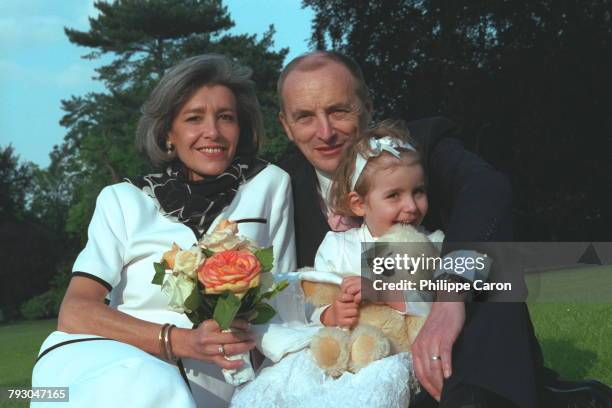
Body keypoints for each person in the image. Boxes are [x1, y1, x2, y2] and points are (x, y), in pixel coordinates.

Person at [276, 50, 610, 408]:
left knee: (489, 265)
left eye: (339, 110)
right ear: (286, 126)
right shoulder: (280, 185)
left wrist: (449, 294)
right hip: (359, 367)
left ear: (367, 106)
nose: (325, 132)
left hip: (462, 346)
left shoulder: (419, 144)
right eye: (306, 117)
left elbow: (487, 190)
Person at [31, 54, 296, 408]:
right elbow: (76, 311)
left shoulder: (275, 183)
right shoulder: (124, 200)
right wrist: (180, 341)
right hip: (125, 368)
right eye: (193, 118)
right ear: (167, 132)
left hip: (224, 382)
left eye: (226, 117)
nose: (213, 132)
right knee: (144, 383)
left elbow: (288, 300)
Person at [232, 121, 444, 408]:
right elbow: (313, 307)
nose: (411, 206)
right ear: (358, 204)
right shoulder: (339, 245)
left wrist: (383, 294)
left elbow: (438, 306)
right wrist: (333, 314)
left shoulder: (431, 243)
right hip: (342, 356)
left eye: (418, 191)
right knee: (286, 386)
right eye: (394, 195)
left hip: (393, 356)